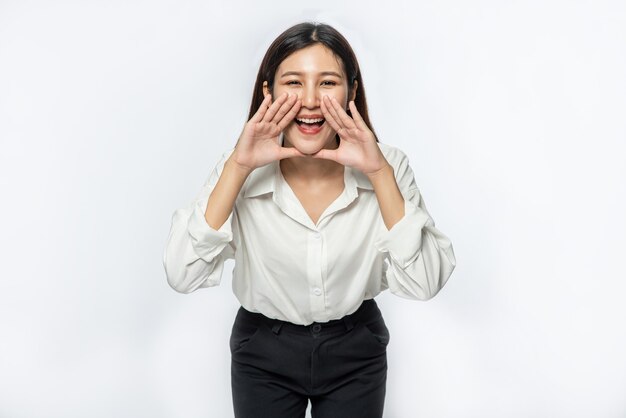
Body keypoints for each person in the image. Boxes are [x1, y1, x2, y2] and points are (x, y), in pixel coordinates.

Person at [163, 21, 456, 418]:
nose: (311, 101)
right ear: (268, 92)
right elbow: (182, 274)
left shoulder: (389, 166)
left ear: (352, 90)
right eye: (294, 83)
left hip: (355, 348)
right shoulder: (238, 168)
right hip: (263, 350)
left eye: (328, 83)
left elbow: (425, 283)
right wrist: (238, 167)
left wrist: (379, 174)